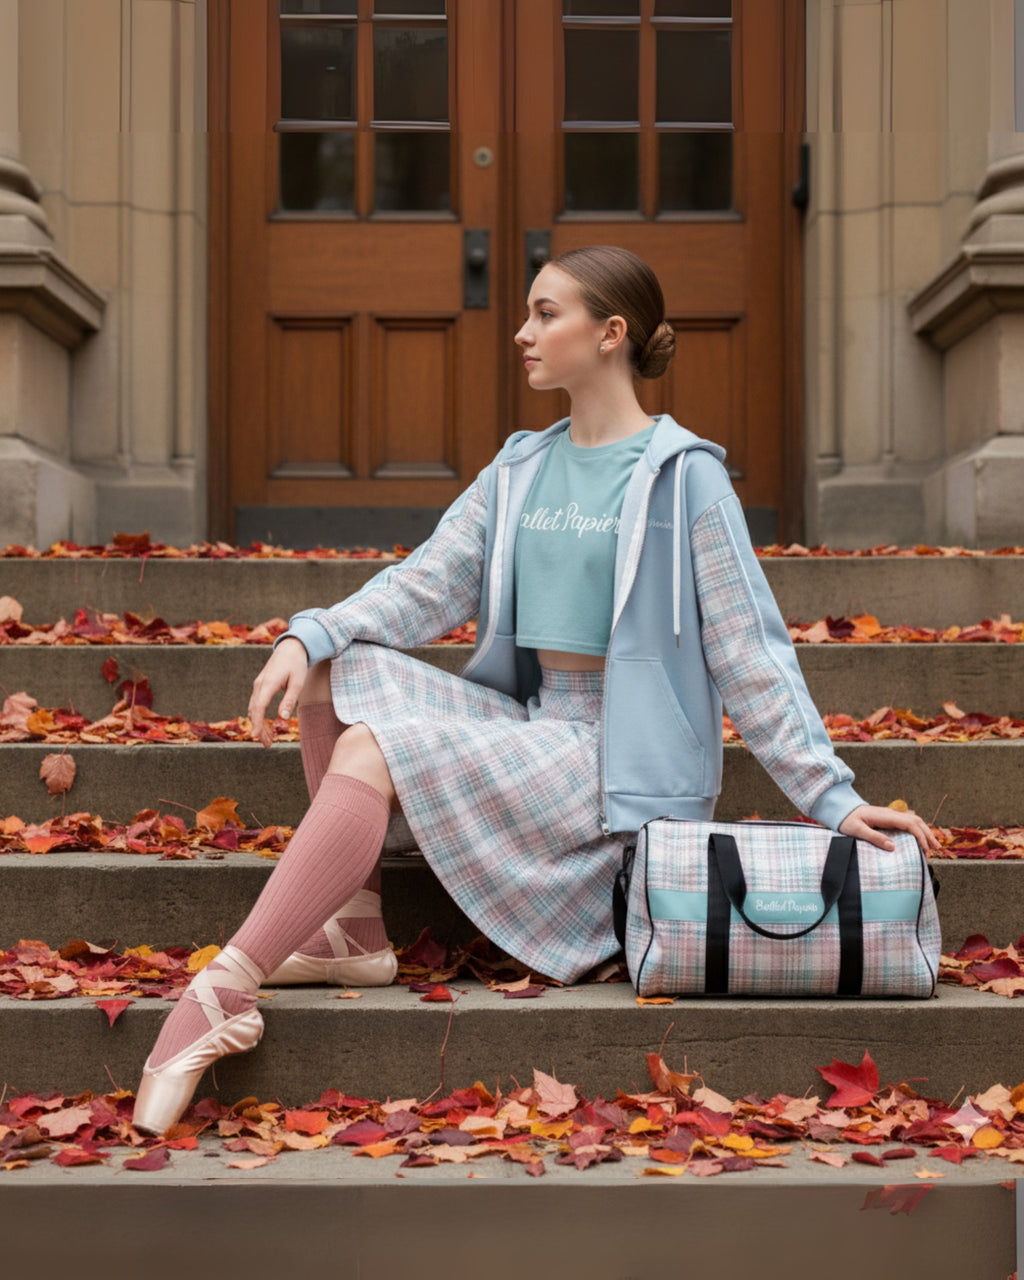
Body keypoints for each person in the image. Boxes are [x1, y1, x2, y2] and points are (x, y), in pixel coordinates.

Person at [132, 245, 937, 1135]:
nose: (523, 331)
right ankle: (353, 932)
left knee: (371, 743)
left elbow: (751, 651)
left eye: (547, 313)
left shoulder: (684, 476)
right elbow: (423, 584)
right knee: (335, 659)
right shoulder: (521, 467)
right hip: (535, 721)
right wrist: (305, 630)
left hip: (613, 763)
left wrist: (831, 796)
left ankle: (223, 989)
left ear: (611, 334)